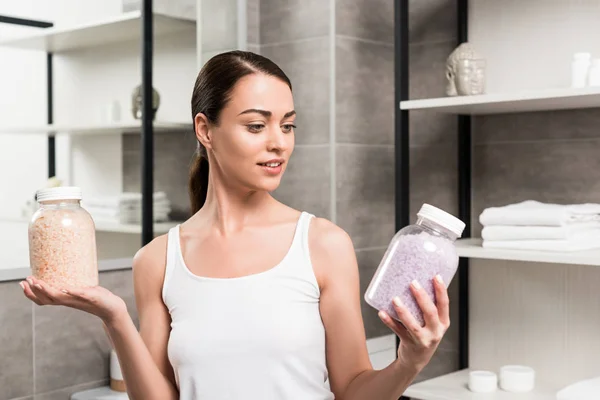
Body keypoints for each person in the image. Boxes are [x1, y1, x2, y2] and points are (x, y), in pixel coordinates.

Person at [20, 50, 450, 400]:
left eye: (288, 125)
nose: (278, 142)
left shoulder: (322, 245)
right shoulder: (156, 260)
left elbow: (355, 390)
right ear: (205, 130)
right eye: (256, 125)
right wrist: (114, 317)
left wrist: (408, 362)